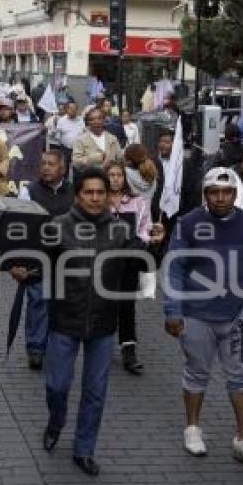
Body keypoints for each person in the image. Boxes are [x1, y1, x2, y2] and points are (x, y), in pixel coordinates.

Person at [40, 168, 164, 476]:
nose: (95, 198)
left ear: (108, 195)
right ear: (78, 194)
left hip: (104, 324)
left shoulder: (121, 230)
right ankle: (56, 420)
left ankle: (84, 449)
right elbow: (38, 263)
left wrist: (158, 244)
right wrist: (22, 269)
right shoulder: (58, 227)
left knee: (95, 392)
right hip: (64, 320)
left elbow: (143, 260)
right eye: (88, 192)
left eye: (100, 192)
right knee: (57, 386)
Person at [163, 167, 243, 468]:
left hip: (238, 314)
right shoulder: (189, 223)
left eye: (227, 192)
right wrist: (173, 310)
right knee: (197, 372)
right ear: (205, 194)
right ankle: (193, 428)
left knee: (240, 376)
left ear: (235, 195)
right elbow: (174, 269)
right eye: (214, 192)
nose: (221, 198)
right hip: (196, 314)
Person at [12, 150, 75, 370]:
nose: (46, 167)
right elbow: (18, 230)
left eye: (51, 164)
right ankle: (36, 348)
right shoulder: (29, 192)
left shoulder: (74, 192)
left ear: (63, 168)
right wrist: (16, 262)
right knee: (38, 303)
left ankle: (58, 346)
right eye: (43, 163)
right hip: (37, 259)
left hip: (67, 260)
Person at [105, 159, 153, 375]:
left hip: (129, 260)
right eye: (111, 175)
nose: (115, 179)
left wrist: (140, 242)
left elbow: (146, 227)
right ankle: (102, 345)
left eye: (119, 175)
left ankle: (129, 348)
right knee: (104, 303)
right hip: (104, 262)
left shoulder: (137, 201)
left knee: (126, 305)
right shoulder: (97, 200)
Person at [150, 127, 202, 251]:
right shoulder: (151, 163)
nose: (163, 145)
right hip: (157, 214)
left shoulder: (185, 165)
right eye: (161, 141)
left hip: (178, 214)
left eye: (167, 142)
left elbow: (193, 191)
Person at [70, 108, 120, 178]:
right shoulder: (80, 140)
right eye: (92, 119)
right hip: (90, 180)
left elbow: (119, 158)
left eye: (99, 118)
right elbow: (76, 162)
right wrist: (95, 158)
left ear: (104, 120)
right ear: (88, 122)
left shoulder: (112, 139)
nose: (96, 121)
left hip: (110, 180)